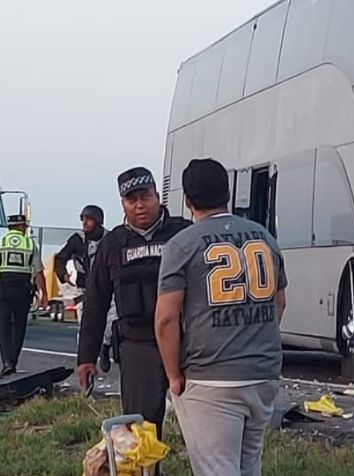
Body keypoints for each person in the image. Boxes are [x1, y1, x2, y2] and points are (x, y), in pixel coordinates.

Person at [156, 158, 286, 476]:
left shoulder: (182, 245)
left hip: (211, 376)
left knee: (218, 469)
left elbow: (166, 320)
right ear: (227, 193)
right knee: (248, 465)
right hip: (263, 371)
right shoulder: (264, 237)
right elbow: (279, 303)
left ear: (187, 200)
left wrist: (174, 377)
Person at [76, 167, 191, 439]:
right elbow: (95, 302)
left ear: (157, 196)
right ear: (123, 204)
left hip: (187, 344)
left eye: (145, 196)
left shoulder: (184, 234)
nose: (140, 205)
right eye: (132, 200)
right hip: (138, 346)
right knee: (142, 431)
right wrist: (86, 357)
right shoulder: (113, 243)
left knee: (202, 428)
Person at [0, 214, 48, 376]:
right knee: (19, 327)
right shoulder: (30, 244)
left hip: (2, 289)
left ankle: (6, 362)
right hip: (22, 290)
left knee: (3, 327)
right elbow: (39, 272)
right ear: (21, 227)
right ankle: (13, 361)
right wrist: (44, 294)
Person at [55, 204, 115, 372]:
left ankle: (105, 347)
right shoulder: (77, 239)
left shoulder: (110, 239)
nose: (84, 223)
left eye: (88, 219)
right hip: (85, 290)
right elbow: (60, 258)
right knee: (86, 328)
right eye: (83, 219)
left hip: (108, 290)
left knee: (110, 325)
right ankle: (85, 361)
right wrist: (63, 274)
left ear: (98, 221)